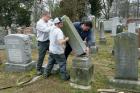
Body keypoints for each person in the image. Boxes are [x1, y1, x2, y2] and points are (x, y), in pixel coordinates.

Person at [36, 11, 52, 75]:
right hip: (42, 42)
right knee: (41, 56)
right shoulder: (39, 23)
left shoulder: (48, 21)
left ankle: (52, 64)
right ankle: (38, 69)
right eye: (48, 17)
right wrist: (54, 26)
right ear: (44, 16)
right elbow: (46, 30)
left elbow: (53, 23)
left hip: (48, 41)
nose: (49, 18)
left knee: (53, 53)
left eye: (49, 17)